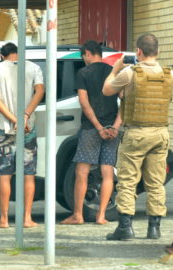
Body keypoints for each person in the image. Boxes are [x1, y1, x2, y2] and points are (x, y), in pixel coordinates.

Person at [103, 33, 172, 240]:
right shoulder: (168, 74)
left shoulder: (130, 73)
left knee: (127, 180)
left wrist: (115, 69)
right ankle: (154, 228)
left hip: (136, 133)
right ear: (157, 51)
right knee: (156, 182)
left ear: (138, 52)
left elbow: (106, 90)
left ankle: (125, 228)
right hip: (160, 132)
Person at [61, 40, 121, 226]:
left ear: (87, 53)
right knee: (108, 171)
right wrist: (115, 127)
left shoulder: (83, 73)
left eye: (83, 56)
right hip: (112, 130)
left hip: (91, 130)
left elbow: (84, 102)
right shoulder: (113, 72)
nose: (84, 59)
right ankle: (101, 215)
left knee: (82, 171)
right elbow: (127, 102)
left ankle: (78, 215)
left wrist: (98, 127)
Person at [0, 42, 44, 228]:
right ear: (18, 54)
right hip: (28, 127)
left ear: (2, 55)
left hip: (6, 128)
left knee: (5, 174)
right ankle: (27, 218)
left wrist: (13, 119)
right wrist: (25, 116)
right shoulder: (34, 67)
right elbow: (40, 92)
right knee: (29, 174)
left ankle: (3, 219)